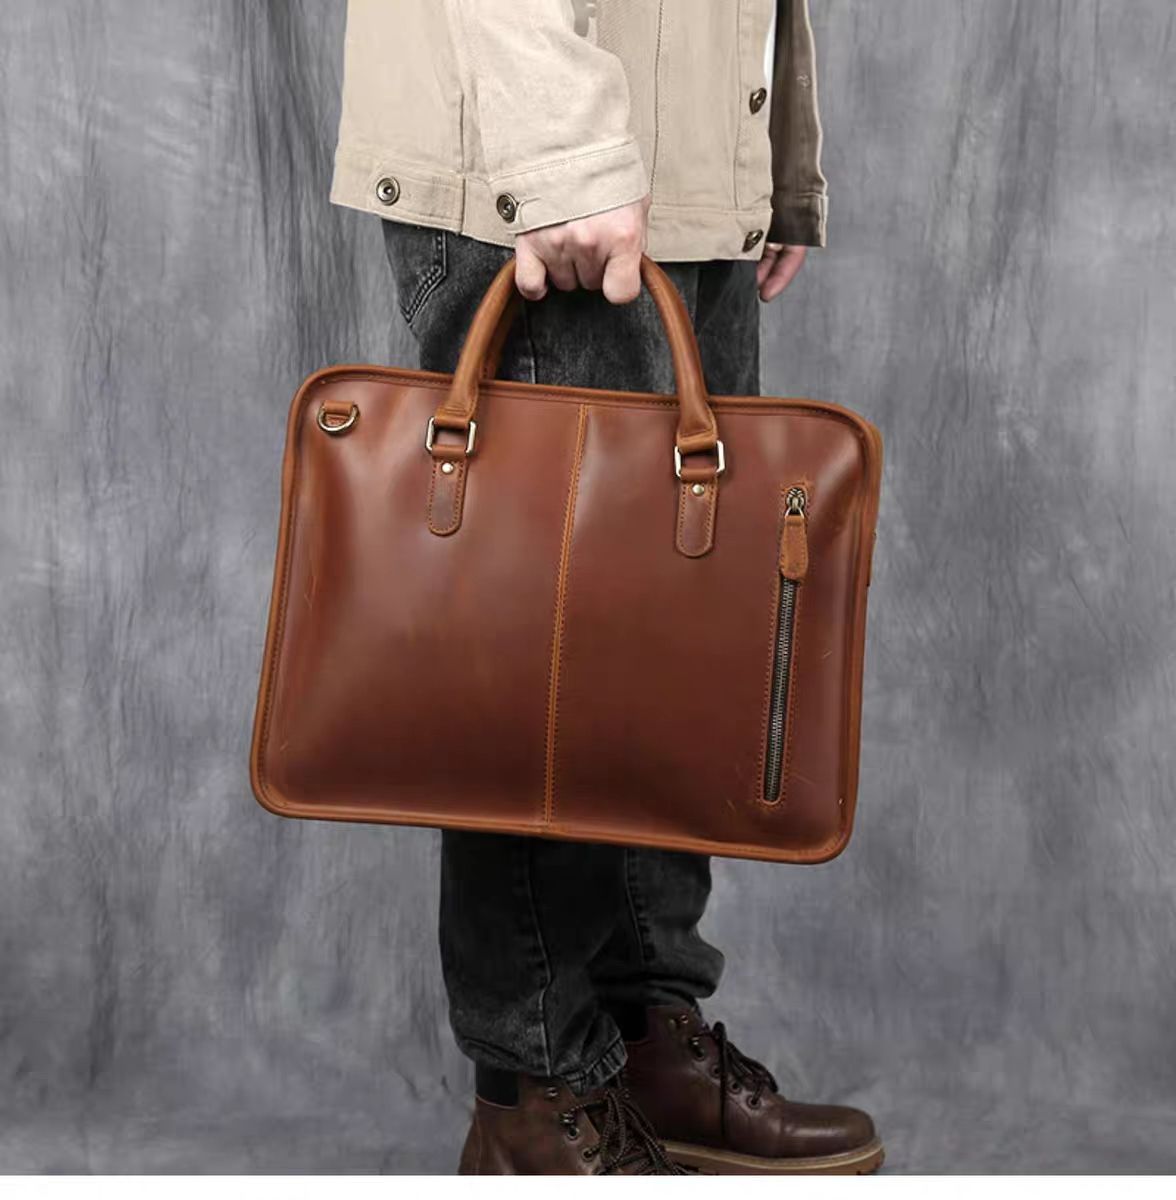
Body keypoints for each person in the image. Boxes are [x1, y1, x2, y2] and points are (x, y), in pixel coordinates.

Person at [330, 0, 882, 1176]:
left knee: (662, 650)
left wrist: (768, 155)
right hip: (550, 165)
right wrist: (567, 157)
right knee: (551, 667)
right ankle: (539, 1094)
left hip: (663, 168)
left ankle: (641, 1041)